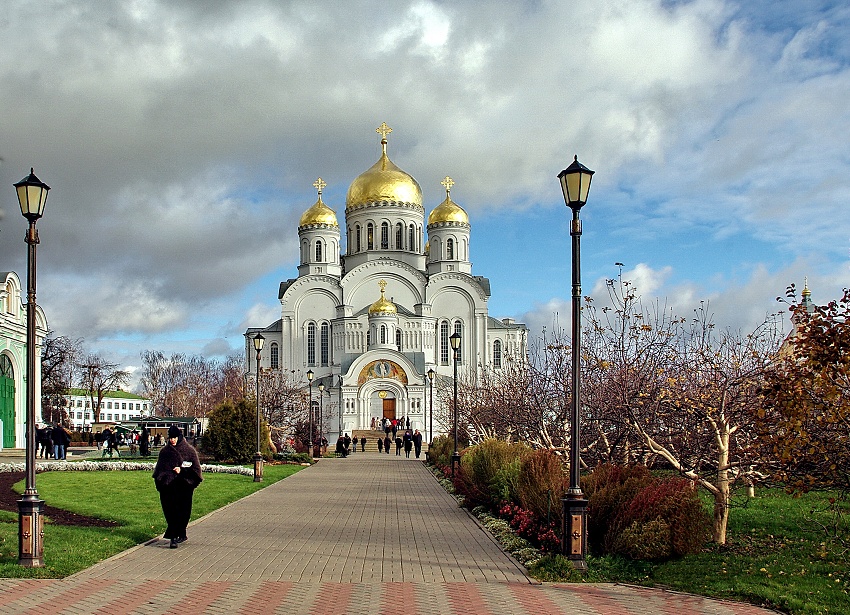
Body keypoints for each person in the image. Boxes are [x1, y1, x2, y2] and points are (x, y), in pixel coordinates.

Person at [153, 425, 202, 548]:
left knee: (183, 512)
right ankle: (173, 537)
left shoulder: (189, 451)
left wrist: (182, 471)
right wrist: (162, 481)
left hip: (184, 487)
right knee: (171, 511)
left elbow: (195, 470)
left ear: (179, 437)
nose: (172, 440)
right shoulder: (164, 452)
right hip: (168, 487)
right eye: (170, 438)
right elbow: (159, 470)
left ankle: (181, 533)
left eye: (174, 438)